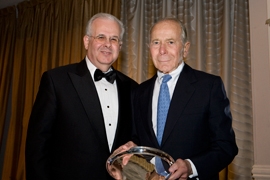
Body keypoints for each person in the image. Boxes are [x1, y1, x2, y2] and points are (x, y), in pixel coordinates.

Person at [114, 17, 238, 180]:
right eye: (156, 42)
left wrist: (190, 166)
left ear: (185, 49)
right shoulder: (139, 92)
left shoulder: (208, 87)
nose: (162, 50)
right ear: (149, 48)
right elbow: (142, 140)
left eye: (170, 42)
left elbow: (226, 146)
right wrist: (134, 146)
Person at [25, 13, 138, 180]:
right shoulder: (56, 80)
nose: (108, 44)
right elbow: (37, 146)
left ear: (120, 46)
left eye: (114, 39)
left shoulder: (132, 87)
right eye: (101, 37)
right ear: (86, 41)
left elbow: (135, 138)